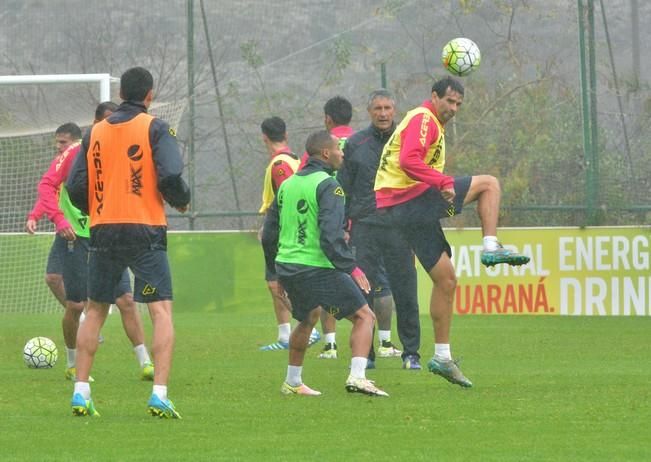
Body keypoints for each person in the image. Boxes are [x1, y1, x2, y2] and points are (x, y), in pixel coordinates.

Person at [374, 76, 529, 388]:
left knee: (446, 280)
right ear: (434, 96)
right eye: (449, 101)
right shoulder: (423, 117)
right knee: (490, 184)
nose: (454, 108)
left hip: (404, 209)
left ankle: (442, 357)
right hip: (403, 199)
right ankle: (490, 246)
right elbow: (408, 160)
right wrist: (441, 181)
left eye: (459, 104)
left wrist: (437, 181)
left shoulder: (434, 125)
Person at [66, 67, 190, 418]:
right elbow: (170, 175)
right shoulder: (155, 127)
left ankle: (80, 391)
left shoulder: (94, 133)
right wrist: (181, 199)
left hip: (103, 227)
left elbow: (76, 186)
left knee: (95, 309)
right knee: (160, 309)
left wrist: (98, 208)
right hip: (144, 227)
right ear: (149, 95)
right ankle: (160, 393)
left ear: (122, 93)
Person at [26, 106, 155, 383]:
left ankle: (145, 362)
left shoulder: (121, 152)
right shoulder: (74, 153)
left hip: (107, 235)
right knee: (75, 305)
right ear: (97, 123)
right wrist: (58, 220)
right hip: (76, 237)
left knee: (127, 300)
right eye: (110, 122)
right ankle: (73, 365)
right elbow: (47, 186)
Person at [262, 130, 388, 397]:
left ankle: (292, 382)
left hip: (288, 265)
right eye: (339, 149)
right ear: (326, 153)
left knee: (308, 317)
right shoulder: (330, 186)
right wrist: (351, 267)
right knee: (365, 316)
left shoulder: (288, 185)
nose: (343, 153)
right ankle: (358, 377)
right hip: (315, 266)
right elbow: (331, 236)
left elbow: (269, 233)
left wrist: (275, 272)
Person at [336, 89, 403, 368]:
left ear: (394, 110)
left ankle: (407, 352)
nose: (383, 113)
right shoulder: (355, 144)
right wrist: (343, 225)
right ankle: (369, 353)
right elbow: (343, 187)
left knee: (400, 286)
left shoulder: (405, 140)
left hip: (399, 223)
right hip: (364, 225)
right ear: (369, 111)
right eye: (378, 108)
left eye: (387, 108)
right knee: (364, 287)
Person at [258, 116, 320, 351]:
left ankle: (307, 328)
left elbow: (288, 198)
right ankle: (284, 335)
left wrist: (277, 227)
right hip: (282, 229)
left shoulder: (280, 165)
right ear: (285, 135)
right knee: (273, 282)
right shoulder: (292, 159)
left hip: (283, 231)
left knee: (279, 282)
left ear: (264, 137)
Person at [302, 96, 355, 360]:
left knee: (326, 279)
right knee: (370, 281)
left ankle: (330, 344)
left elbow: (304, 180)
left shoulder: (321, 145)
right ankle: (383, 342)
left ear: (327, 119)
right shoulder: (359, 142)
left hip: (326, 222)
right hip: (358, 221)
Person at [27, 123, 82, 310]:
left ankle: (89, 320)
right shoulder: (61, 161)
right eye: (57, 142)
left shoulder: (84, 157)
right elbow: (48, 190)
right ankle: (78, 316)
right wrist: (34, 216)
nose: (59, 146)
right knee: (53, 277)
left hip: (89, 228)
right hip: (66, 228)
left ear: (75, 142)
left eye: (63, 142)